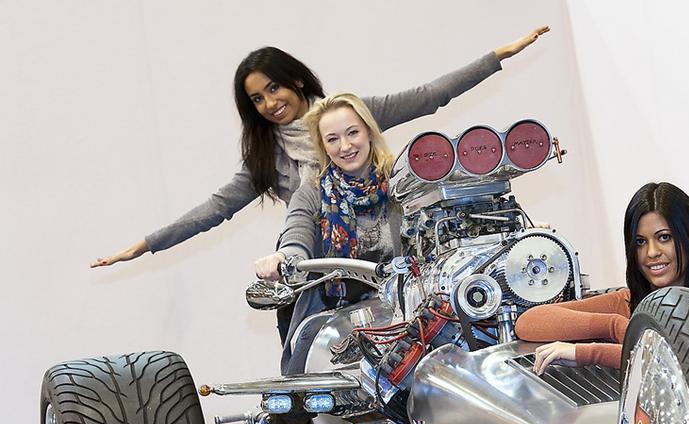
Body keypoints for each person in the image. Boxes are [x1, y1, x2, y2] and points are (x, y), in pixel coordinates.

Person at [90, 27, 550, 269]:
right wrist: (147, 244)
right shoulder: (269, 160)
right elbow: (216, 209)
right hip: (319, 270)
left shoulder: (350, 114)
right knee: (302, 360)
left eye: (273, 88)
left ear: (295, 80)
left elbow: (430, 96)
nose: (270, 103)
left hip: (394, 258)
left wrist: (497, 57)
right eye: (257, 99)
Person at [516, 182, 689, 374]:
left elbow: (676, 362)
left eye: (664, 237)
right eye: (640, 242)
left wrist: (591, 353)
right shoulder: (627, 302)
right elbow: (528, 322)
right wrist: (614, 325)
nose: (652, 252)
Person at [265, 92, 398, 373]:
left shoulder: (402, 181)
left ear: (369, 132)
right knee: (298, 384)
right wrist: (283, 256)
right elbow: (297, 232)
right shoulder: (312, 193)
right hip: (332, 313)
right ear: (323, 146)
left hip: (403, 308)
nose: (345, 146)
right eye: (333, 139)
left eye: (353, 133)